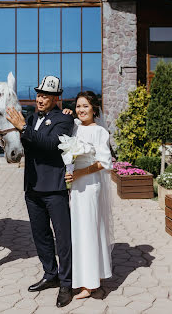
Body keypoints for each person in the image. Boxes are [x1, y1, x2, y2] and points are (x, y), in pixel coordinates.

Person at [6, 76, 74, 308]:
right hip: (32, 187)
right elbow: (24, 142)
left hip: (54, 188)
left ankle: (67, 282)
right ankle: (50, 274)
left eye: (46, 95)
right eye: (39, 94)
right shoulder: (32, 117)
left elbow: (51, 144)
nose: (40, 99)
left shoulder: (64, 120)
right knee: (40, 235)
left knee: (63, 237)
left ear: (56, 98)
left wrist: (23, 127)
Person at [65, 91, 114, 299]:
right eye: (78, 106)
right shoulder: (75, 127)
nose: (81, 110)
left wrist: (79, 173)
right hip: (75, 186)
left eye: (85, 106)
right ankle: (85, 277)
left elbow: (104, 162)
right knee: (79, 231)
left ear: (94, 108)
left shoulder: (100, 132)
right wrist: (67, 113)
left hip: (90, 184)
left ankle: (91, 283)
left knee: (90, 230)